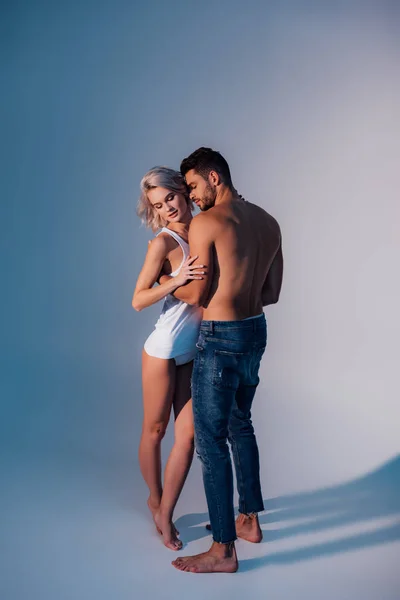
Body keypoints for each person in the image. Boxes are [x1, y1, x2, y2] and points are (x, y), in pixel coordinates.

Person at [158, 148, 283, 573]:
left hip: (220, 336)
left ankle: (223, 550)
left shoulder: (207, 223)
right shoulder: (268, 221)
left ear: (214, 177)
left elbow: (195, 292)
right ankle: (248, 521)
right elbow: (272, 292)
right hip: (255, 331)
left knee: (210, 443)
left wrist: (165, 282)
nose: (191, 198)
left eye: (192, 186)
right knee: (240, 424)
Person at [132, 166, 205, 551]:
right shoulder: (162, 243)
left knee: (188, 436)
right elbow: (137, 299)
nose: (168, 209)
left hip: (193, 350)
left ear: (182, 190)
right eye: (158, 206)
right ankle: (154, 499)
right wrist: (174, 281)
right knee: (155, 431)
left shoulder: (206, 228)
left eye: (171, 198)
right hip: (163, 349)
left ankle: (166, 512)